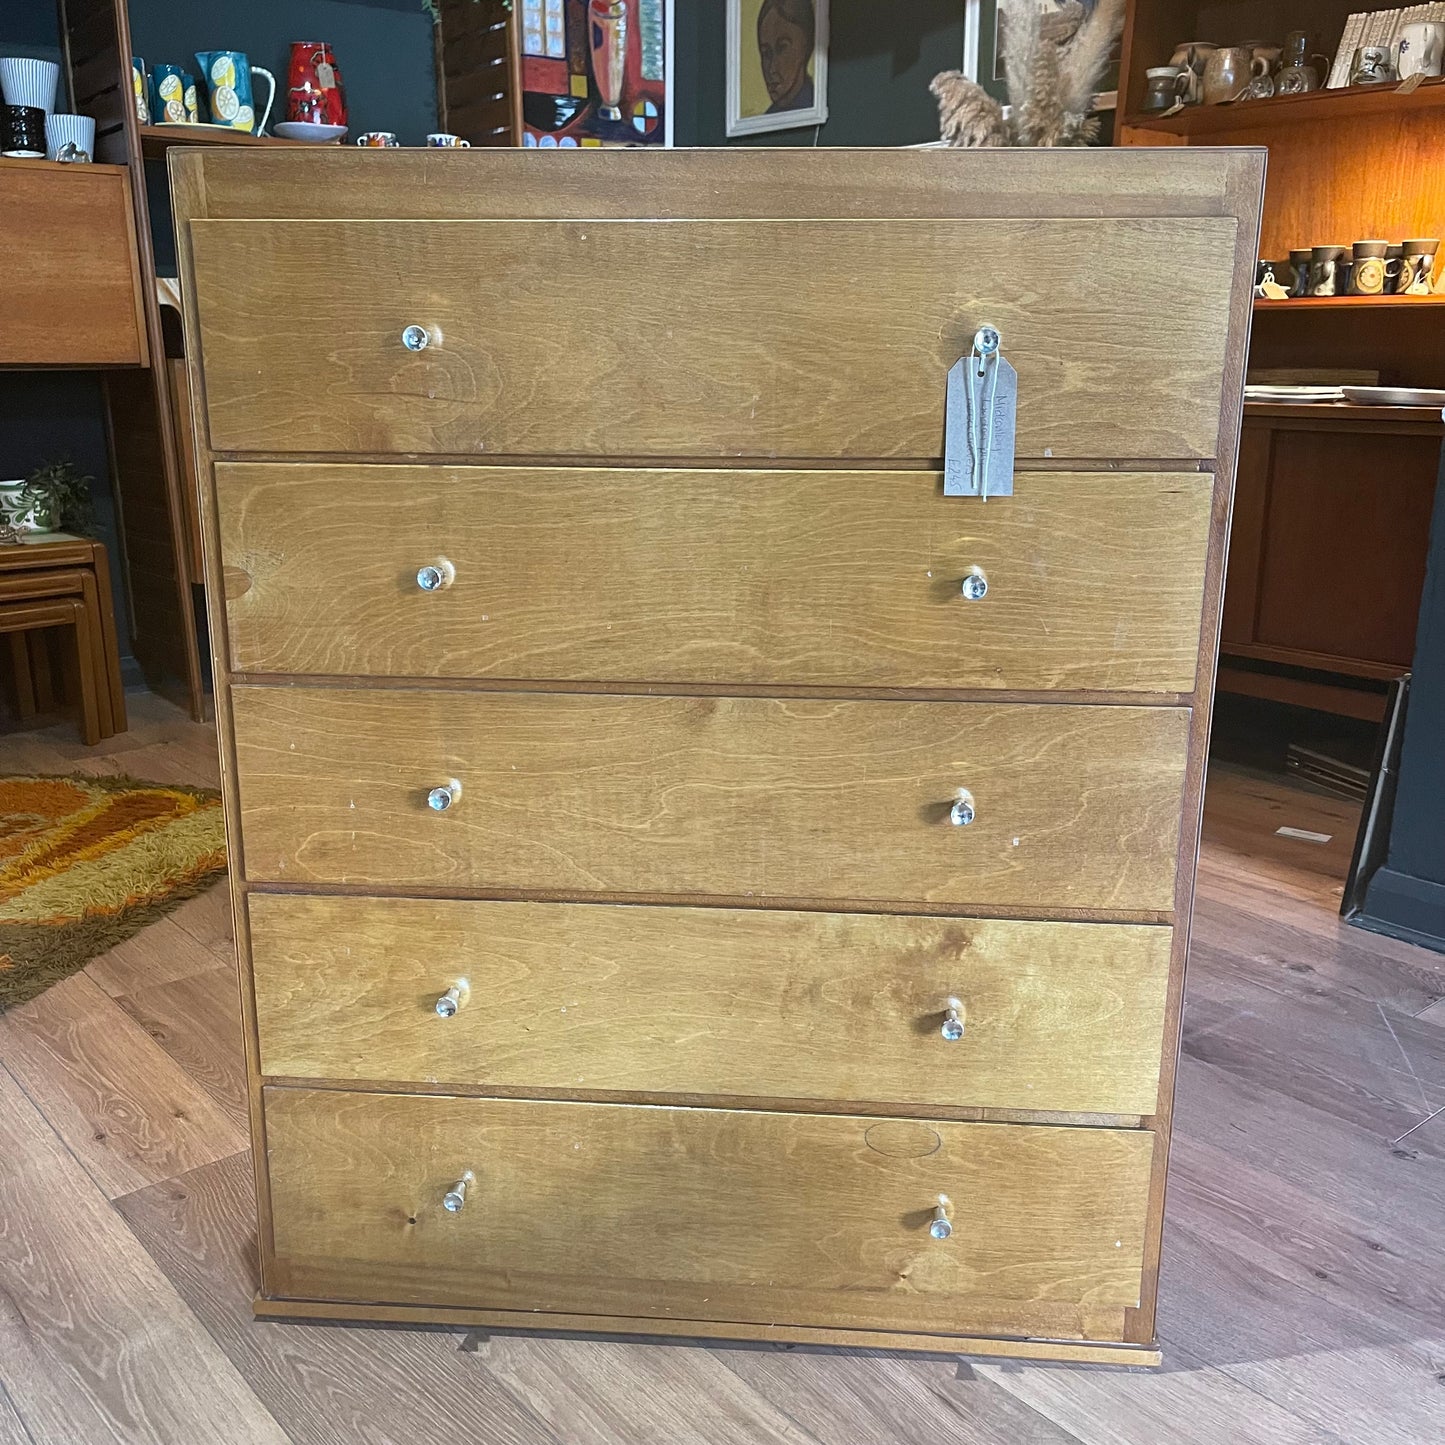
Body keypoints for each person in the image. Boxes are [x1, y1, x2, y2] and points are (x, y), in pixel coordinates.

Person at [757, 0, 815, 112]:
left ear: (805, 46)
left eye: (782, 48)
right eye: (766, 53)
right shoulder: (769, 116)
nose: (772, 69)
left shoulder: (812, 105)